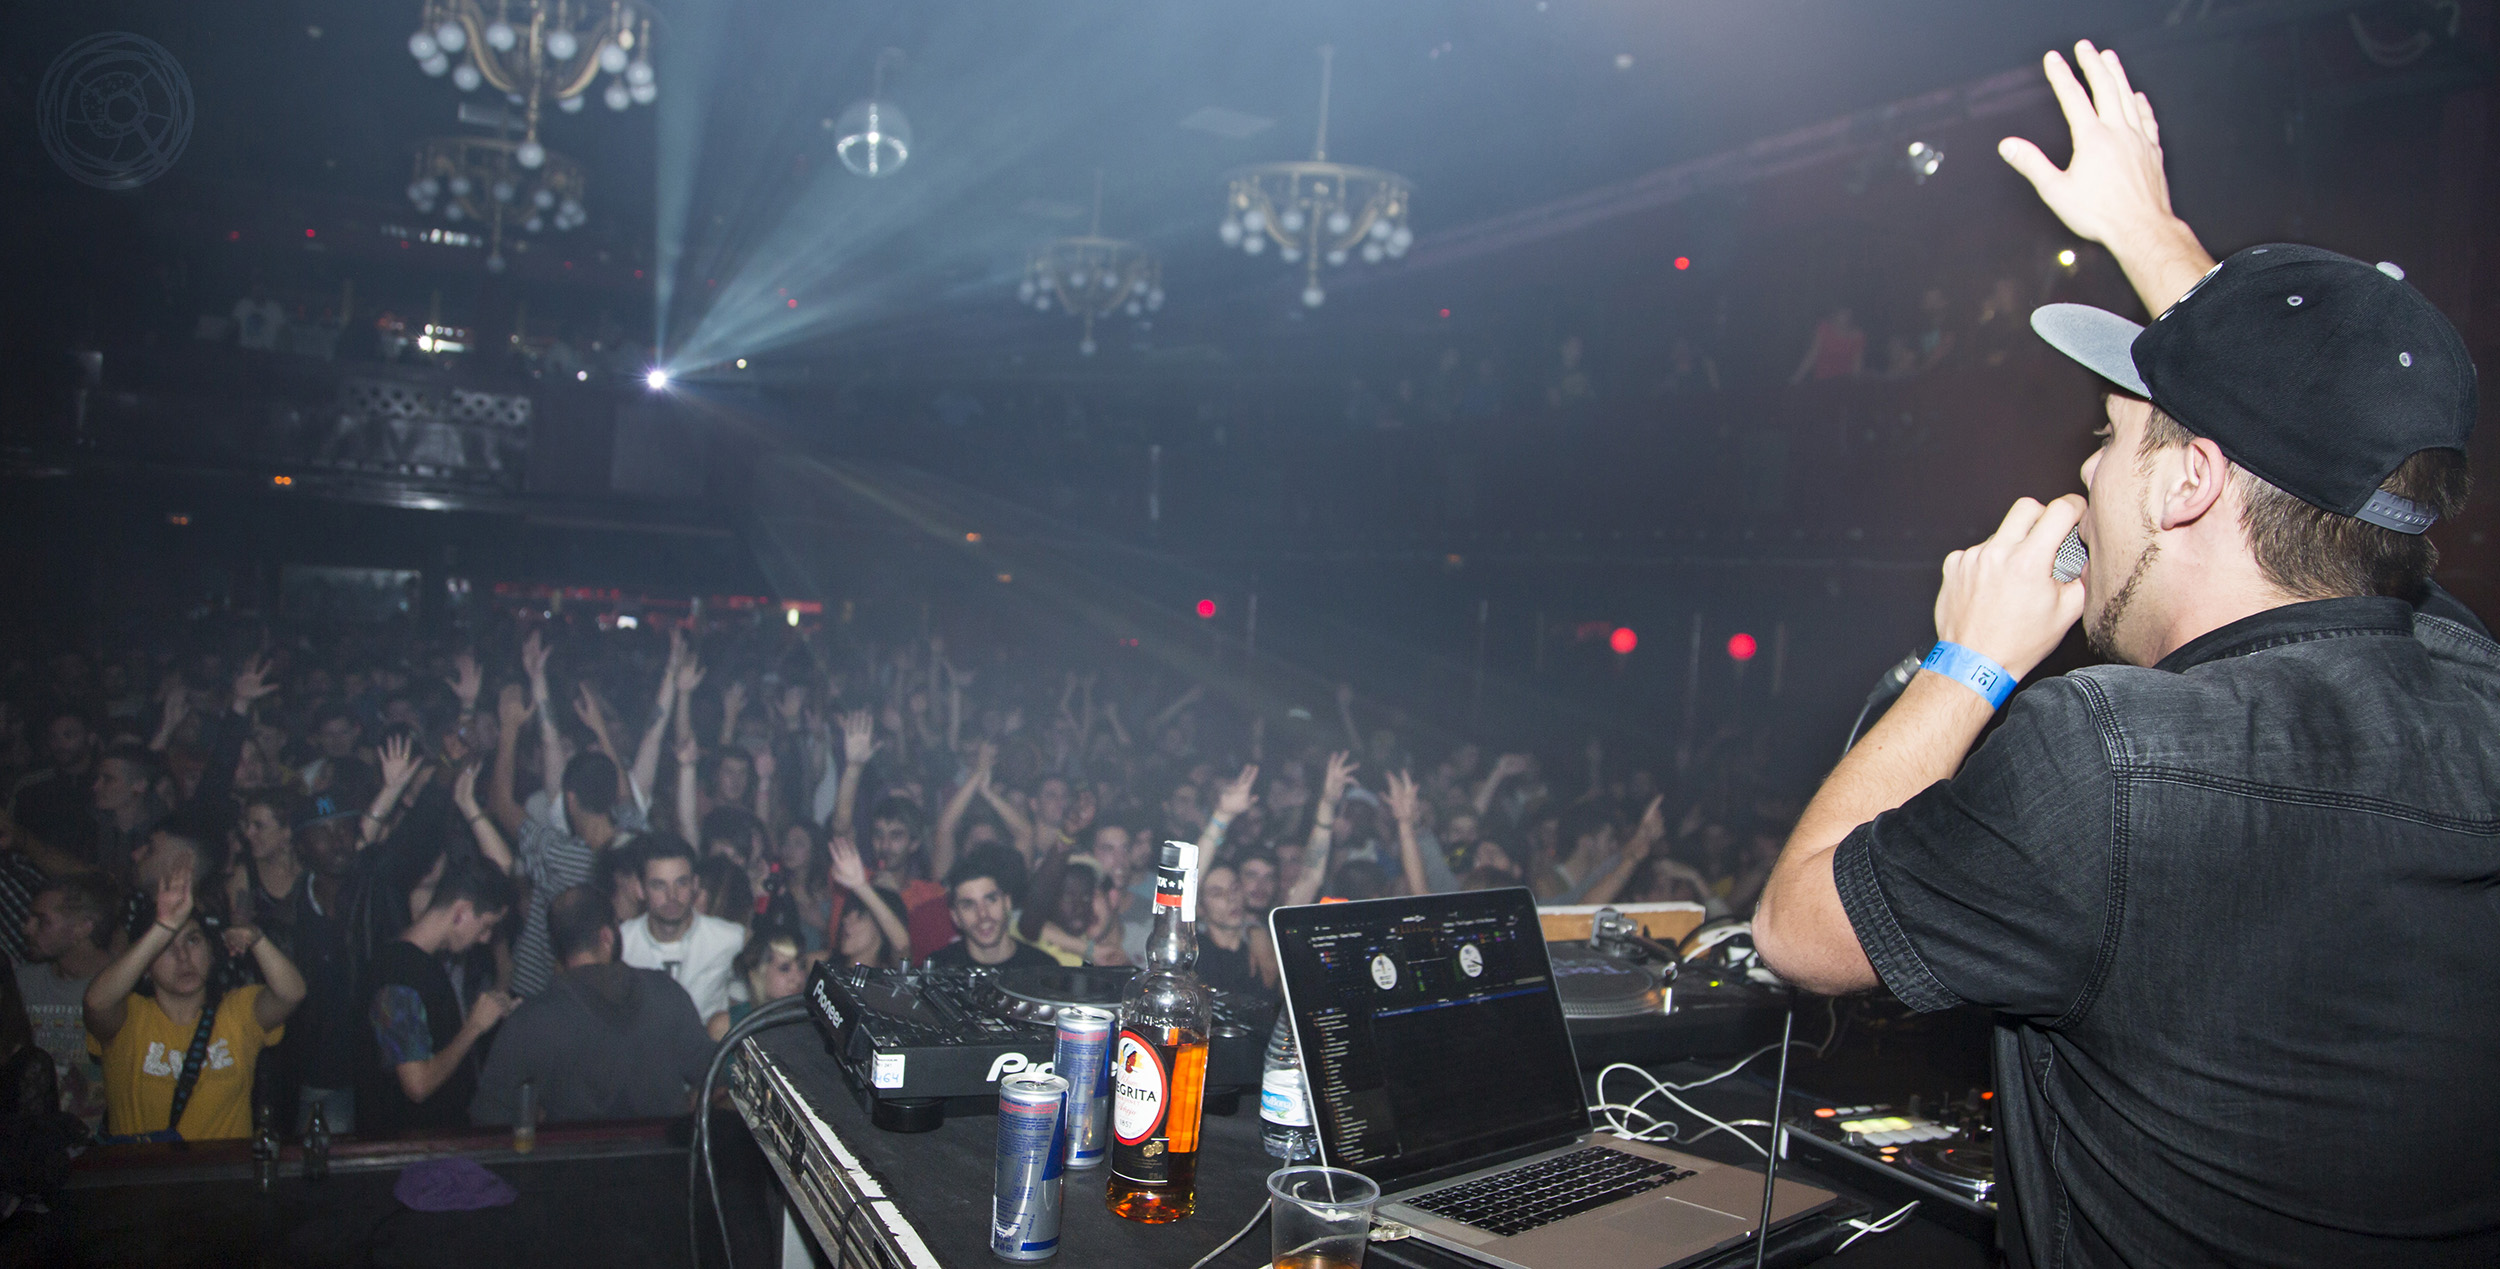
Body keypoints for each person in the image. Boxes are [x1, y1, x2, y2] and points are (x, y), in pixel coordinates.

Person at [1752, 41, 2496, 1268]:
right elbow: (2346, 478)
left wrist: (1970, 661)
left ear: (2191, 483)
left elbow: (1796, 927)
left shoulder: (2106, 755)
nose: (2085, 475)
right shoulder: (2475, 694)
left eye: (2107, 439)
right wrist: (2154, 241)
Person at [84, 866, 306, 1141]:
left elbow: (291, 993)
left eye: (193, 940)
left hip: (224, 1167)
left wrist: (257, 939)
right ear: (145, 966)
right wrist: (163, 927)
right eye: (166, 947)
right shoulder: (131, 1016)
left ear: (211, 953)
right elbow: (95, 1003)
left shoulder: (237, 1011)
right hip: (144, 1168)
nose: (183, 957)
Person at [469, 885, 716, 1127]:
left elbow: (490, 1118)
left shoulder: (531, 1020)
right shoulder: (665, 992)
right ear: (607, 936)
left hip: (573, 1154)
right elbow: (715, 1072)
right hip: (665, 1153)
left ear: (556, 946)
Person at [359, 861, 516, 1136]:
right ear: (461, 912)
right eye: (485, 926)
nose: (485, 938)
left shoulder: (420, 965)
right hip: (410, 1148)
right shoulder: (399, 976)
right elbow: (417, 1085)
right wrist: (473, 1027)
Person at [618, 836, 746, 1039]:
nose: (672, 896)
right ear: (640, 889)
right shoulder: (621, 945)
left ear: (695, 884)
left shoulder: (729, 939)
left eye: (681, 883)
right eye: (659, 885)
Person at [17, 874, 118, 1125]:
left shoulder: (121, 986)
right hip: (37, 1133)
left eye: (42, 921)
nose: (26, 929)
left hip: (101, 1136)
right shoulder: (22, 983)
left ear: (83, 928)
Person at [924, 846, 1056, 969]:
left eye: (991, 900)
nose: (983, 914)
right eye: (969, 905)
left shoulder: (1042, 967)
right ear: (955, 917)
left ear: (1007, 903)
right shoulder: (937, 969)